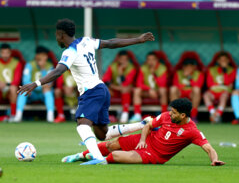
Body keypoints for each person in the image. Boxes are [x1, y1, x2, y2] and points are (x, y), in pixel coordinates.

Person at [18, 18, 155, 164]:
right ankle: (142, 124)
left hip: (91, 92)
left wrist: (35, 83)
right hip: (102, 89)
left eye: (56, 35)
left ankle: (98, 158)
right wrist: (138, 40)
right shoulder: (87, 41)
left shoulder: (70, 52)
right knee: (103, 133)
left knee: (83, 125)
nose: (56, 38)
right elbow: (111, 43)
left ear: (60, 34)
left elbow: (58, 71)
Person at [63, 98, 225, 166]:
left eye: (174, 112)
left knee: (117, 156)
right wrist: (141, 140)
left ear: (183, 115)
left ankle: (98, 161)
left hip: (155, 155)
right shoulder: (166, 116)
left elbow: (209, 148)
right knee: (112, 144)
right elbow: (148, 126)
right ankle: (81, 155)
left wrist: (215, 160)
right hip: (146, 141)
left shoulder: (192, 131)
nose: (170, 114)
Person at [14, 46, 55, 122]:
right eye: (42, 55)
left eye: (45, 56)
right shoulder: (30, 65)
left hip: (43, 93)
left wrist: (43, 69)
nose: (44, 58)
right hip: (32, 93)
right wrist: (36, 87)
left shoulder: (49, 66)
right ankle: (18, 115)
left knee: (47, 89)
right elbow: (25, 81)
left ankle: (50, 116)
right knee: (24, 90)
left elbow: (49, 83)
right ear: (37, 55)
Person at [131, 51, 168, 122]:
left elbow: (162, 84)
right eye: (149, 60)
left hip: (158, 92)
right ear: (146, 61)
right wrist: (149, 89)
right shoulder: (143, 68)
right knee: (137, 90)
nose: (151, 62)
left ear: (157, 60)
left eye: (153, 59)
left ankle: (164, 115)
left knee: (163, 90)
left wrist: (154, 73)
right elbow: (139, 83)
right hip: (147, 92)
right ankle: (137, 115)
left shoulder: (162, 68)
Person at [102, 50, 137, 123]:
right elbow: (105, 80)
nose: (123, 61)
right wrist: (113, 87)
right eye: (122, 59)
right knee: (104, 89)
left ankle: (125, 114)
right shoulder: (112, 66)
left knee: (126, 89)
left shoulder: (132, 68)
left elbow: (126, 84)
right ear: (118, 59)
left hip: (127, 91)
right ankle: (104, 114)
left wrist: (121, 72)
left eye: (125, 59)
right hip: (115, 89)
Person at [203, 52, 236, 123]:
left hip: (224, 92)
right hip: (213, 91)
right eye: (221, 60)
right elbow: (209, 84)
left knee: (224, 96)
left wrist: (224, 70)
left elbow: (228, 82)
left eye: (225, 60)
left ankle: (218, 115)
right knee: (206, 95)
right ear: (218, 61)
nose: (223, 62)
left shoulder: (232, 70)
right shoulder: (212, 70)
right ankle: (213, 113)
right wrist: (222, 84)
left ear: (228, 61)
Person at [0, 44, 22, 121]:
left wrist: (6, 84)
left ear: (10, 53)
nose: (5, 55)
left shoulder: (16, 63)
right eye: (3, 53)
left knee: (13, 88)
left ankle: (13, 115)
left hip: (10, 91)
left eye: (7, 53)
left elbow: (17, 81)